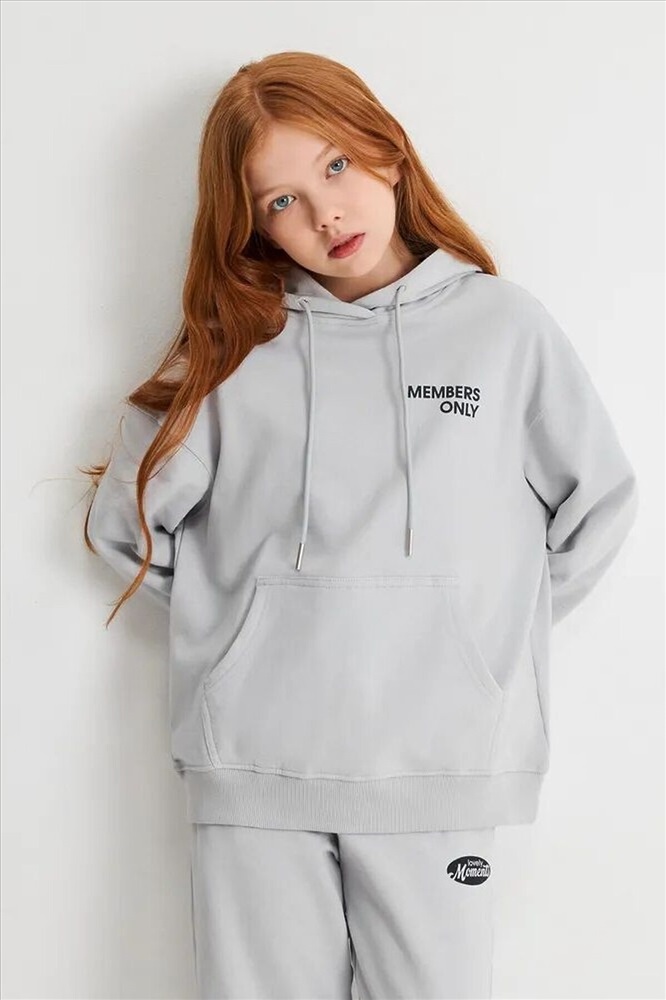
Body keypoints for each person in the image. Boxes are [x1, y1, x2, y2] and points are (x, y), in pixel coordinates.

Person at [81, 50, 639, 1000]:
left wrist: (470, 638)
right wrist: (249, 630)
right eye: (281, 201)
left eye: (335, 166)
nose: (326, 214)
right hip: (255, 769)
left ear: (387, 151)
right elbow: (127, 525)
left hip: (439, 765)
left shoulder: (504, 330)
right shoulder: (234, 347)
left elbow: (598, 507)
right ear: (252, 223)